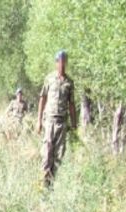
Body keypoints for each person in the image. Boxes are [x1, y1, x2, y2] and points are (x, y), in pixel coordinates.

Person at [37, 50, 77, 186]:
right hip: (49, 121)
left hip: (62, 122)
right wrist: (38, 122)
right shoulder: (49, 79)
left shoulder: (69, 83)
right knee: (47, 154)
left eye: (64, 62)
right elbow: (42, 99)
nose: (62, 65)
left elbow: (71, 104)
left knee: (59, 155)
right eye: (60, 62)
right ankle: (44, 184)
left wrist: (74, 124)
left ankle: (52, 185)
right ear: (56, 63)